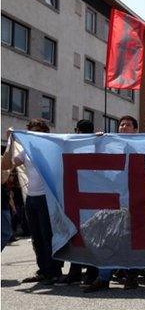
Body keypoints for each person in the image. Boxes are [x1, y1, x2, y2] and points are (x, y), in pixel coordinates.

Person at [1, 119, 63, 285]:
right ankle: (43, 270)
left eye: (39, 131)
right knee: (36, 237)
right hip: (31, 197)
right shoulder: (27, 151)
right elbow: (5, 165)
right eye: (32, 131)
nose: (35, 134)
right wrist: (10, 142)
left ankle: (54, 271)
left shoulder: (53, 148)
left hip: (47, 197)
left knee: (48, 235)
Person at [85, 116, 141, 292]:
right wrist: (98, 143)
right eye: (122, 124)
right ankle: (104, 278)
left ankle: (131, 276)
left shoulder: (142, 145)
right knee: (108, 238)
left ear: (136, 130)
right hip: (113, 199)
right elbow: (97, 163)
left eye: (128, 125)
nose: (124, 127)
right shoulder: (111, 147)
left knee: (130, 240)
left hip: (134, 200)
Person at [56, 120, 99, 286]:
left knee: (83, 235)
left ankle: (88, 271)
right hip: (81, 195)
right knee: (83, 235)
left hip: (86, 195)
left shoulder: (78, 144)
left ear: (78, 130)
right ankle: (80, 271)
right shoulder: (77, 144)